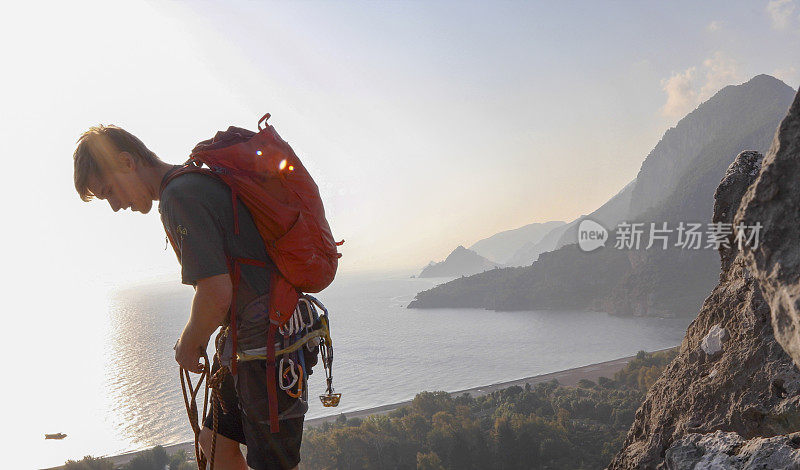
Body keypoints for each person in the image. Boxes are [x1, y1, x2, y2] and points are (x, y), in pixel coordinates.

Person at [73, 125, 307, 470]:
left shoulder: (179, 197)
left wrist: (188, 343)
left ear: (127, 162)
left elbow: (215, 291)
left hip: (269, 346)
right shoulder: (191, 183)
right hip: (258, 339)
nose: (115, 206)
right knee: (213, 441)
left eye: (109, 192)